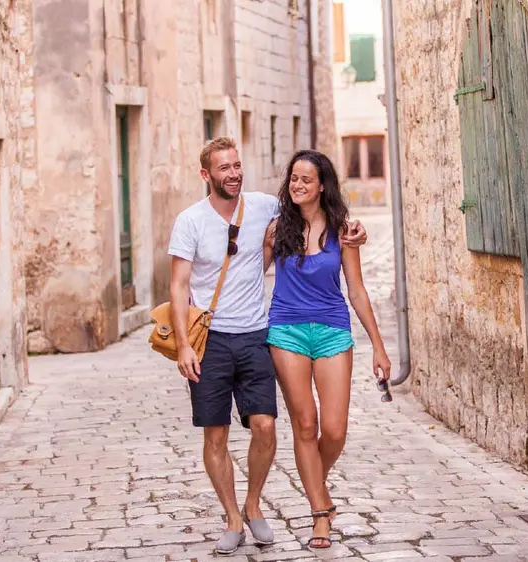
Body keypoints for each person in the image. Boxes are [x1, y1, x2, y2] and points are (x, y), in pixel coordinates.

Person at [167, 137, 368, 555]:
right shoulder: (190, 221)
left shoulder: (264, 207)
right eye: (224, 168)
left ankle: (254, 503)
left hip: (256, 333)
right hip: (210, 339)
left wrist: (355, 228)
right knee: (215, 434)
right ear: (206, 175)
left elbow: (313, 208)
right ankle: (232, 518)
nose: (233, 174)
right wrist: (184, 345)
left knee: (265, 426)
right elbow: (178, 285)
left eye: (236, 165)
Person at [262, 149, 391, 550]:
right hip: (286, 331)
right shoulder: (276, 229)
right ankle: (320, 513)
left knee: (334, 430)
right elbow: (248, 276)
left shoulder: (343, 231)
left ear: (322, 186)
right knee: (305, 424)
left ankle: (316, 482)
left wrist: (379, 346)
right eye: (293, 179)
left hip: (333, 330)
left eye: (306, 179)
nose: (297, 185)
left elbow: (357, 290)